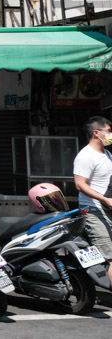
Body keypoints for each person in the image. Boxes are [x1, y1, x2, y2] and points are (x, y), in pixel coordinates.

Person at [73, 115, 112, 281]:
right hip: (94, 210)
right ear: (97, 133)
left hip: (107, 209)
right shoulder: (86, 156)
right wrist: (105, 200)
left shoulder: (107, 154)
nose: (111, 134)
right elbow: (80, 184)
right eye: (109, 131)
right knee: (110, 257)